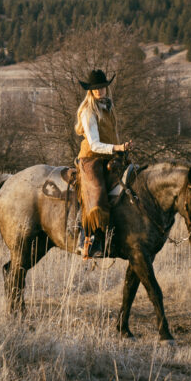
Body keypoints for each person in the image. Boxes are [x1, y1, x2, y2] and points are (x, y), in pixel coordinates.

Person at [74, 69, 131, 259]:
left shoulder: (108, 107)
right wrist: (118, 148)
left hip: (109, 156)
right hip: (91, 158)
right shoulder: (88, 111)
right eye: (96, 89)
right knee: (97, 195)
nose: (100, 91)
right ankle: (88, 241)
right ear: (90, 91)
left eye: (102, 87)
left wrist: (122, 149)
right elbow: (95, 145)